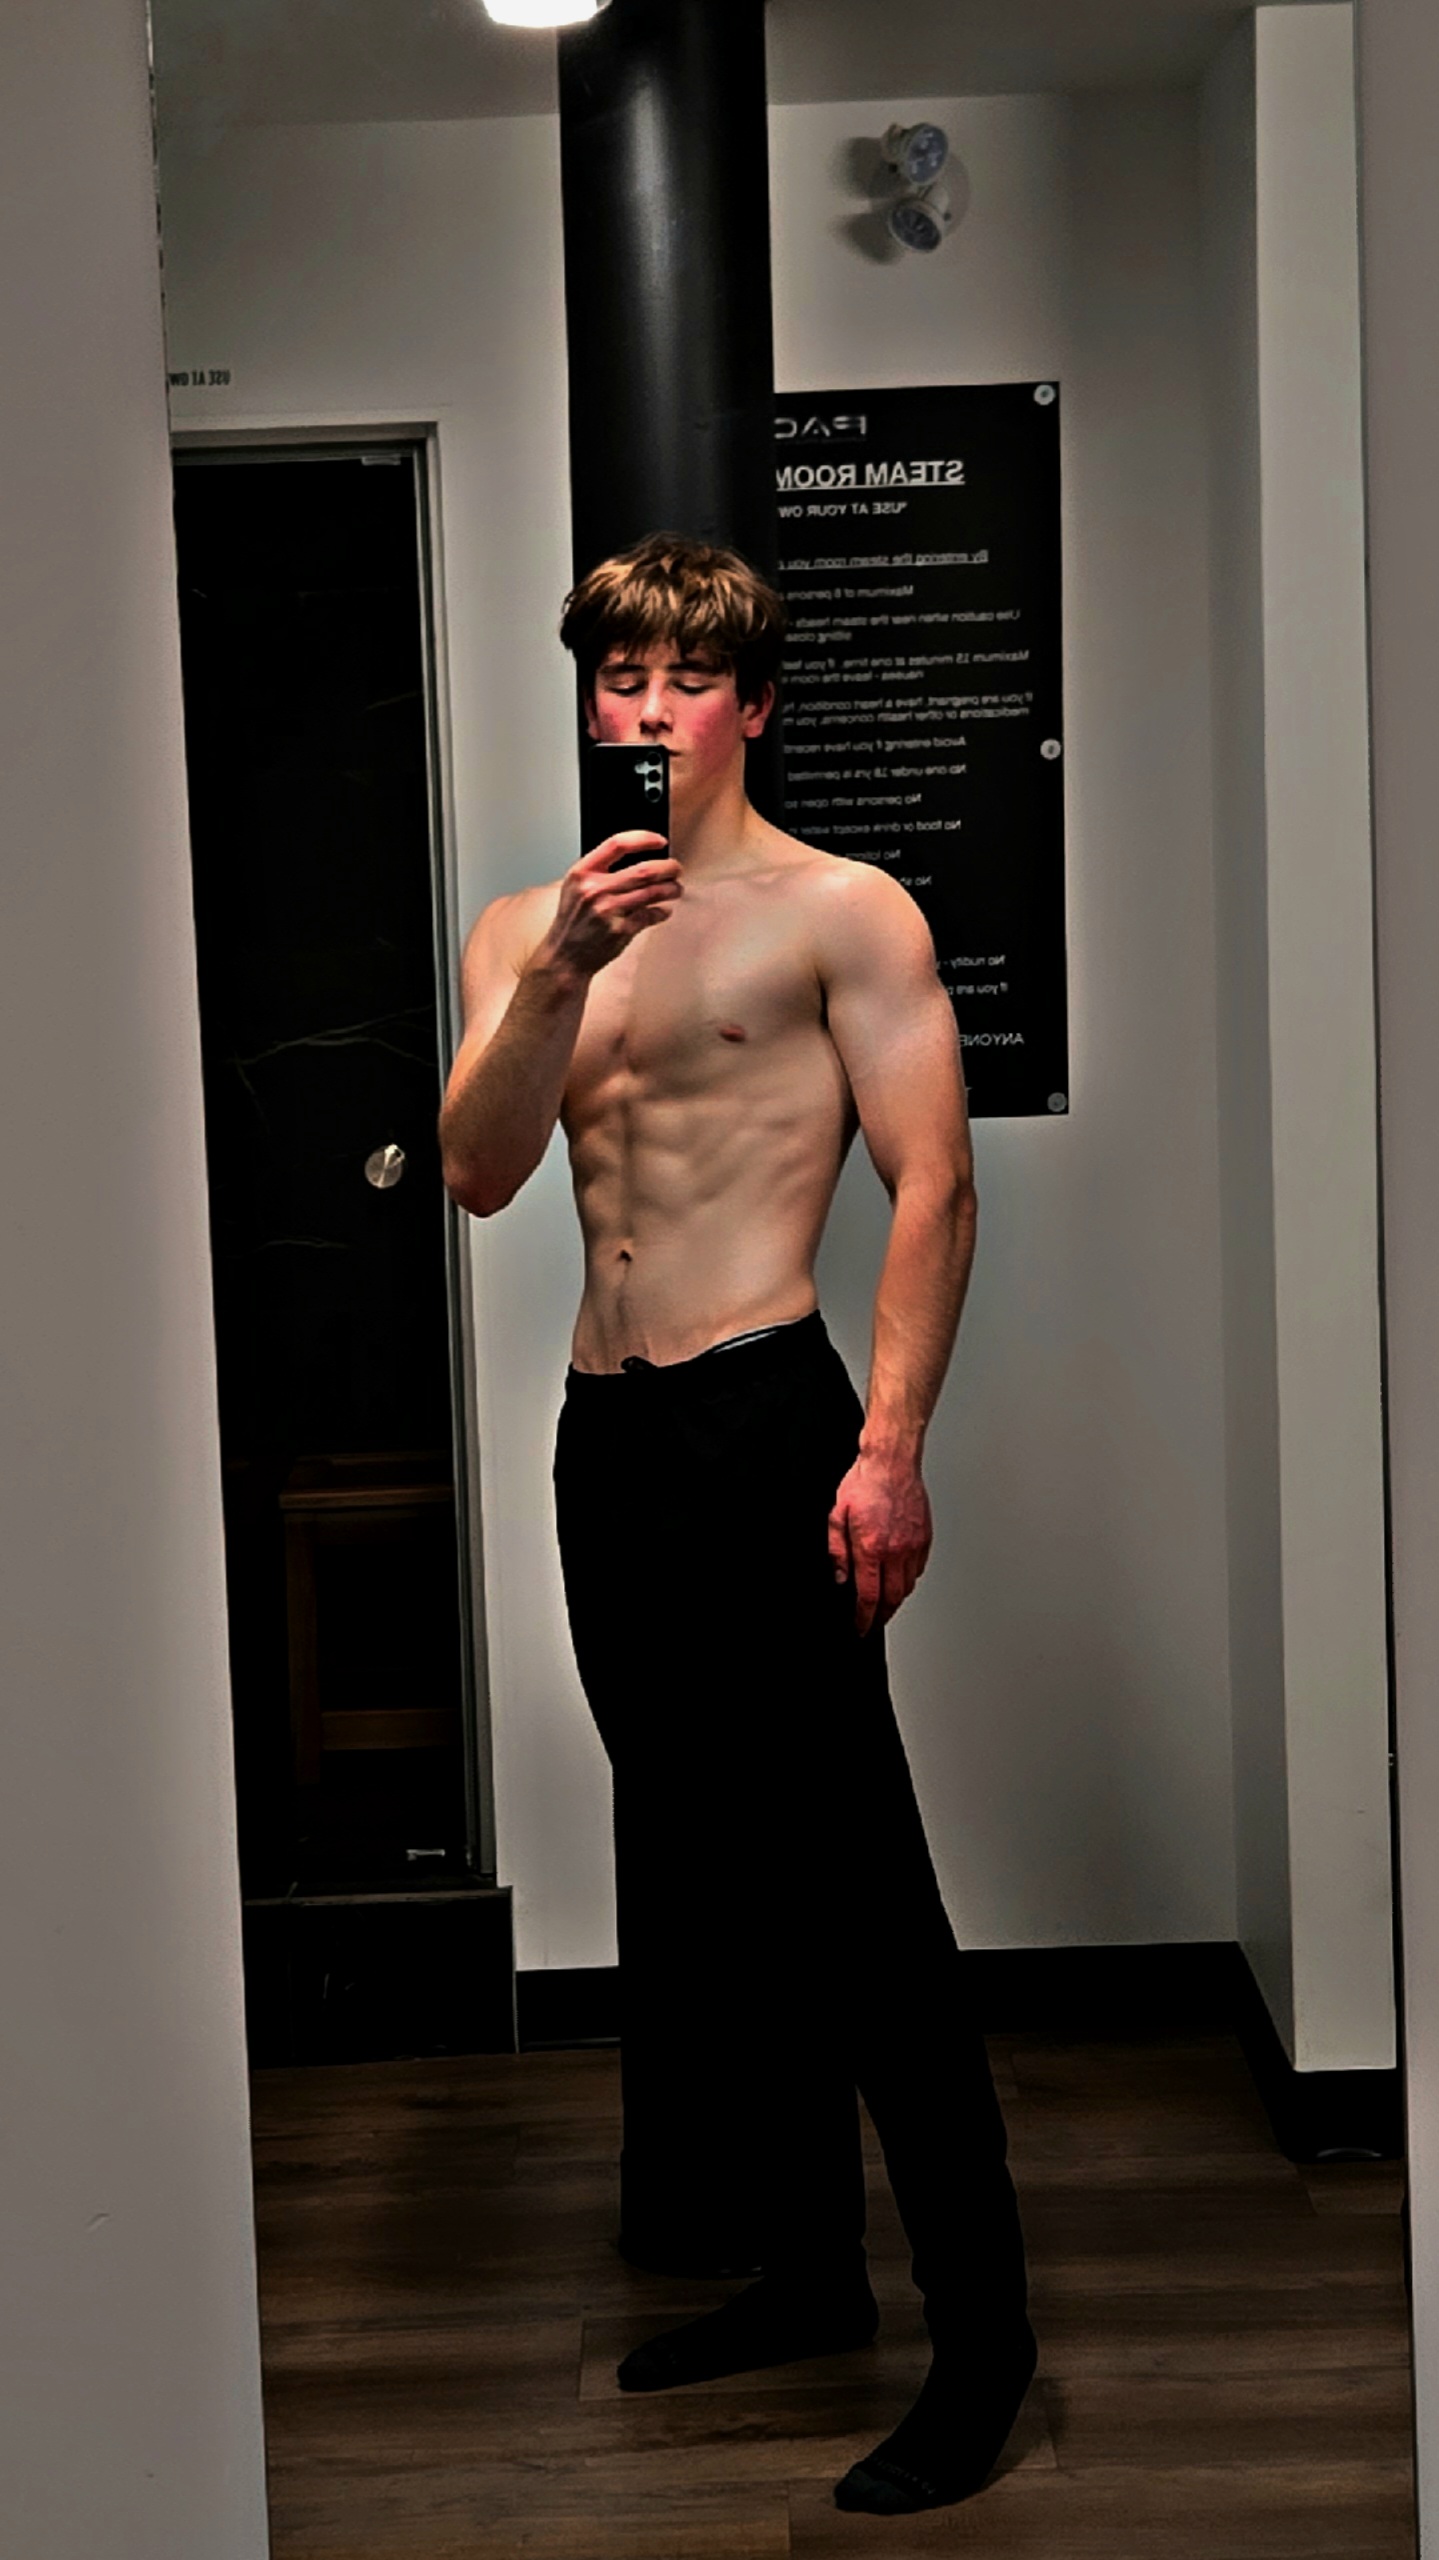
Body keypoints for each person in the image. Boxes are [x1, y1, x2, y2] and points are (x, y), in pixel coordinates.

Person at [439, 532, 1035, 2516]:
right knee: (712, 1883)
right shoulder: (526, 927)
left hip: (769, 1420)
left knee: (860, 1892)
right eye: (618, 675)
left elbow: (935, 1181)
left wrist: (891, 1449)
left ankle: (986, 2340)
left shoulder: (840, 911)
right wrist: (560, 970)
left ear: (753, 704)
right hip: (605, 1440)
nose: (645, 708)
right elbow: (479, 1170)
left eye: (685, 678)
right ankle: (811, 2269)